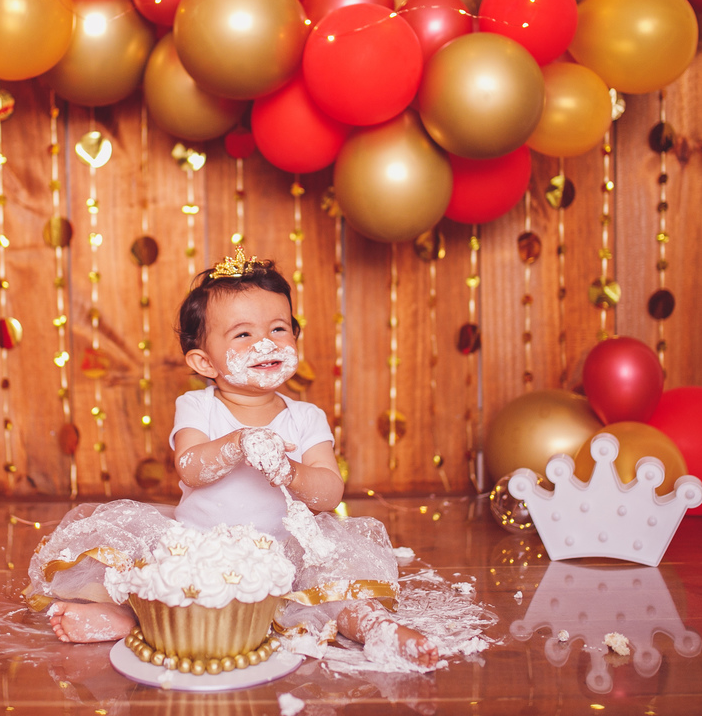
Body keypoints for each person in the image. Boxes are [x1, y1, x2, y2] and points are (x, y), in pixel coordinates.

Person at [27, 249, 438, 667]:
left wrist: (289, 471)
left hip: (284, 551)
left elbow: (330, 492)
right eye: (243, 335)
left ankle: (377, 630)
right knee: (152, 579)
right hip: (200, 543)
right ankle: (127, 617)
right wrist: (236, 444)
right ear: (204, 361)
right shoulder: (197, 407)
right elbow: (190, 466)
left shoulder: (305, 417)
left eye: (279, 328)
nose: (266, 343)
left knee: (334, 591)